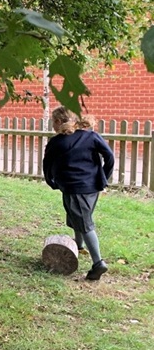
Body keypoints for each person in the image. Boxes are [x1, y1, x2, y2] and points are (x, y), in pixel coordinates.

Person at [43, 106, 114, 281]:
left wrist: (51, 181)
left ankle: (98, 263)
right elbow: (110, 156)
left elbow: (47, 164)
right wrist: (104, 176)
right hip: (93, 186)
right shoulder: (91, 136)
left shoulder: (57, 142)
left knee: (85, 223)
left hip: (74, 188)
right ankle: (79, 246)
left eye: (53, 121)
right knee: (78, 217)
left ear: (59, 122)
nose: (52, 125)